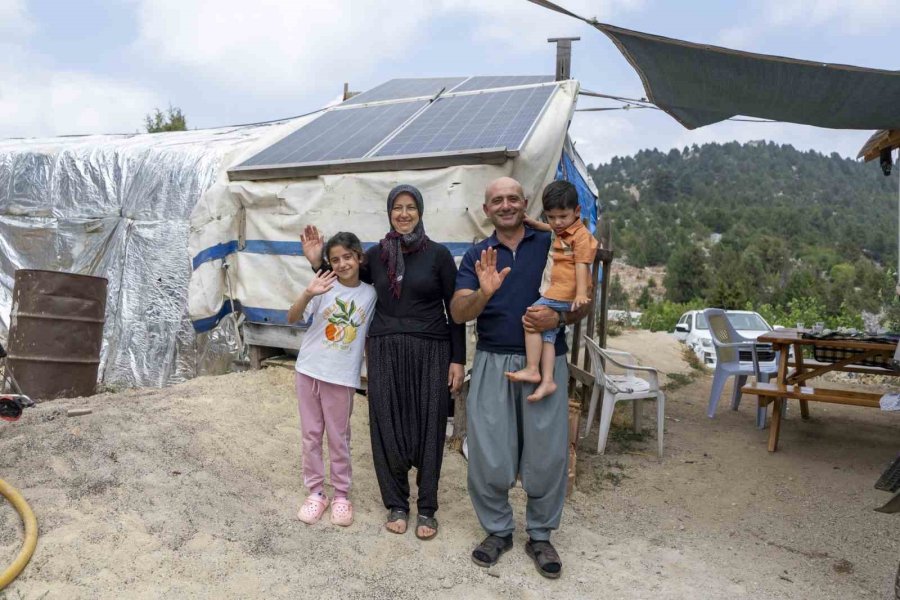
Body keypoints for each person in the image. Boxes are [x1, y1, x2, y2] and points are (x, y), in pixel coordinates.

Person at [301, 184, 465, 540]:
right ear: (389, 212)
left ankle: (427, 508)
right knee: (386, 425)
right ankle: (396, 503)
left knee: (430, 426)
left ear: (420, 211)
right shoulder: (376, 255)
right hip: (385, 350)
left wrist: (458, 358)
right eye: (397, 208)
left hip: (431, 350)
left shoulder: (439, 255)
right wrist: (317, 261)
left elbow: (455, 312)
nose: (404, 214)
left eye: (410, 207)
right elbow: (346, 279)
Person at [450, 176, 590, 579]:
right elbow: (459, 314)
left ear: (525, 204)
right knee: (490, 455)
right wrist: (485, 293)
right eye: (497, 200)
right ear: (486, 210)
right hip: (495, 362)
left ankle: (541, 535)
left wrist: (559, 316)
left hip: (548, 361)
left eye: (513, 198)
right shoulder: (477, 255)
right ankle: (497, 531)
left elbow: (583, 298)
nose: (506, 205)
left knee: (547, 455)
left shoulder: (553, 241)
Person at [287, 232, 377, 527]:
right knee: (311, 434)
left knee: (339, 437)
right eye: (335, 259)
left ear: (359, 258)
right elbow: (292, 317)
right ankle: (316, 492)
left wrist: (370, 373)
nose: (342, 264)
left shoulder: (370, 294)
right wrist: (308, 293)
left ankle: (340, 495)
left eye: (347, 257)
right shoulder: (323, 286)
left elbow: (368, 338)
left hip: (341, 376)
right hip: (309, 369)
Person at [506, 180, 597, 401]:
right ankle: (547, 380)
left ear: (577, 211)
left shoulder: (581, 236)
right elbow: (552, 230)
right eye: (551, 217)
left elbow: (582, 264)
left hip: (564, 294)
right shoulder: (563, 229)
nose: (556, 222)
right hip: (562, 293)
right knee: (548, 336)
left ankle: (531, 367)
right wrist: (535, 224)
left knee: (532, 318)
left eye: (562, 217)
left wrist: (581, 293)